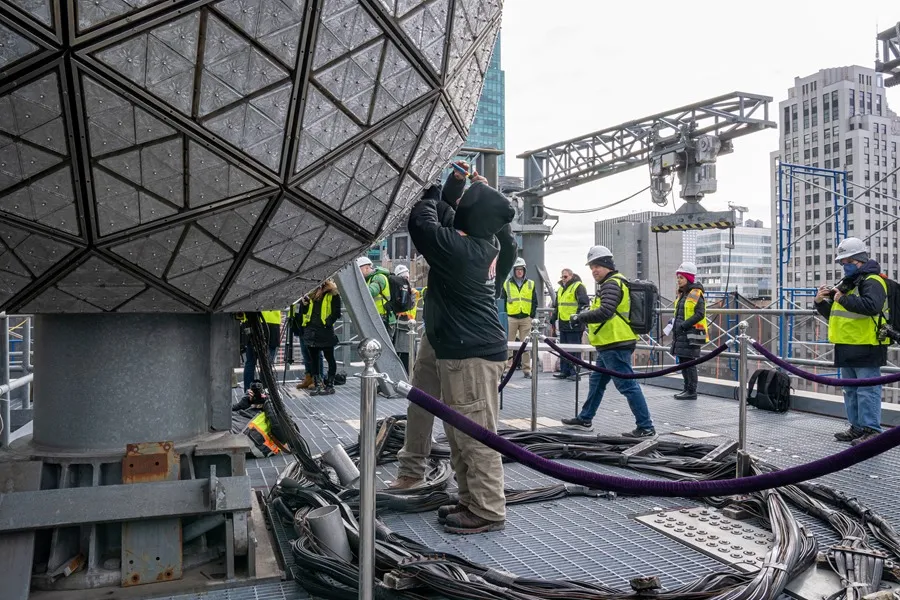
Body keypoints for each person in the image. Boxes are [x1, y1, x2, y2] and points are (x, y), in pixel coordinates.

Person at [390, 164, 516, 495]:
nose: (458, 210)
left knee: (472, 429)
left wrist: (432, 194)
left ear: (473, 218)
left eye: (465, 207)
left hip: (468, 345)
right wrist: (458, 186)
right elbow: (452, 216)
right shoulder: (482, 240)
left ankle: (485, 505)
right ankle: (415, 471)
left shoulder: (462, 249)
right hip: (444, 332)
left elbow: (424, 224)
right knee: (423, 401)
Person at [561, 245, 656, 438]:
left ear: (607, 265)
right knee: (596, 382)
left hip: (616, 343)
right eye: (592, 267)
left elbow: (606, 311)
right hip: (608, 344)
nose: (594, 270)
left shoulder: (611, 284)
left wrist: (580, 317)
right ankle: (585, 419)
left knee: (627, 385)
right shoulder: (611, 283)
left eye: (597, 266)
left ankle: (646, 427)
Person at [814, 237, 888, 446]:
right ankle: (856, 428)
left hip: (866, 345)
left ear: (859, 260)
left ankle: (872, 430)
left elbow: (871, 306)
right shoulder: (848, 284)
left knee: (867, 391)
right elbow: (836, 315)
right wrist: (820, 302)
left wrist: (842, 298)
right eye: (842, 262)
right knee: (851, 390)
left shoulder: (873, 281)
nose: (844, 266)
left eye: (848, 262)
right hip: (846, 345)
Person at [670, 262, 708, 400]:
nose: (678, 280)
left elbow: (700, 314)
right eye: (678, 277)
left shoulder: (695, 293)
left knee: (689, 362)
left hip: (692, 333)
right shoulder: (683, 294)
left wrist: (683, 325)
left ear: (688, 278)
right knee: (684, 362)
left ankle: (691, 391)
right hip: (683, 333)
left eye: (681, 277)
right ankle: (687, 388)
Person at [300, 280, 342, 396]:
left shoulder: (332, 293)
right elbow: (304, 312)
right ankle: (317, 384)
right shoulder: (311, 294)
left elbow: (336, 312)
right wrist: (304, 304)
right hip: (311, 330)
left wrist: (327, 323)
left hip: (325, 331)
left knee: (329, 358)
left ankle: (330, 385)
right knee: (313, 359)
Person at [501, 258, 538, 378]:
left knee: (525, 345)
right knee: (509, 345)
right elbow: (503, 300)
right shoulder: (506, 284)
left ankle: (527, 369)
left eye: (521, 269)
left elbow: (534, 301)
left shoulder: (530, 284)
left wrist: (531, 316)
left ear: (524, 270)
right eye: (517, 269)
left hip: (525, 318)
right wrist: (507, 314)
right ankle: (507, 368)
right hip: (511, 317)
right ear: (514, 270)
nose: (519, 272)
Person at [551, 268, 589, 381]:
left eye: (565, 277)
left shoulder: (578, 286)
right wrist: (553, 318)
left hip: (574, 323)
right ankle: (565, 371)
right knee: (563, 349)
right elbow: (557, 305)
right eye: (562, 277)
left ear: (571, 276)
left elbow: (584, 304)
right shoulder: (561, 289)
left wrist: (577, 318)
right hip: (563, 322)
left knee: (574, 349)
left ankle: (574, 372)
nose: (563, 279)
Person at [241, 310, 282, 392]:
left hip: (251, 322)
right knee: (266, 364)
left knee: (250, 362)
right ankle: (264, 391)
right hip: (272, 323)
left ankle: (249, 392)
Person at [357, 256, 394, 336]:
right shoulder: (370, 279)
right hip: (378, 316)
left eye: (359, 270)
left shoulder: (378, 277)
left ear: (366, 268)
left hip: (382, 317)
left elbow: (371, 292)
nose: (358, 273)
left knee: (383, 345)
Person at [393, 264, 419, 370]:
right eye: (403, 277)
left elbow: (409, 305)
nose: (405, 279)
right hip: (397, 327)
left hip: (406, 327)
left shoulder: (412, 292)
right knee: (398, 355)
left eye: (406, 276)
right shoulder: (396, 291)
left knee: (406, 356)